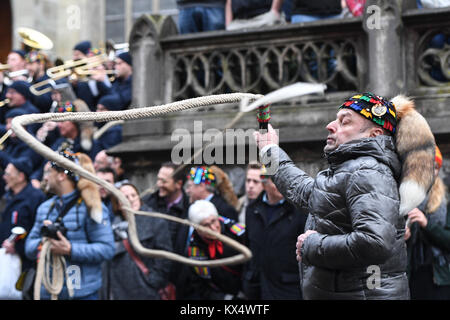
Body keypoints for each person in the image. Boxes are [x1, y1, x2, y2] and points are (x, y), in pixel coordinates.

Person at [253, 92, 409, 299]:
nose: (330, 125)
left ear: (374, 134)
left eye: (345, 122)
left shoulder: (368, 171)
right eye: (336, 119)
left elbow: (375, 242)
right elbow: (303, 191)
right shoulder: (355, 169)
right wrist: (270, 150)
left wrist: (312, 245)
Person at [25, 150, 115, 300]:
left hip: (82, 293)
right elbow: (29, 248)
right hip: (49, 291)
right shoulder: (44, 208)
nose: (45, 177)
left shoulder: (91, 207)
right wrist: (44, 242)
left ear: (61, 175)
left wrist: (70, 249)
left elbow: (107, 249)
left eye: (49, 172)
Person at [101, 182, 172, 300]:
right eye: (126, 197)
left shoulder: (156, 221)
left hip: (145, 290)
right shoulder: (113, 226)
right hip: (118, 290)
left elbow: (164, 257)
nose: (131, 200)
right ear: (118, 204)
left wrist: (152, 282)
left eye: (134, 195)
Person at [243, 169, 307, 299]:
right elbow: (248, 245)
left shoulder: (298, 211)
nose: (283, 186)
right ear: (265, 184)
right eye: (277, 182)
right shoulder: (252, 210)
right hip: (257, 286)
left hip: (287, 287)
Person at [405, 146, 450, 300]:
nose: (431, 170)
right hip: (413, 273)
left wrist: (426, 224)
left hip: (439, 276)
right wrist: (405, 235)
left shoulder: (446, 202)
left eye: (435, 166)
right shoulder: (406, 197)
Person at [177, 199, 245, 299]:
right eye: (206, 225)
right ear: (197, 228)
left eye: (214, 221)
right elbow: (200, 286)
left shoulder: (239, 233)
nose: (213, 228)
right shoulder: (194, 252)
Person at [0, 158, 46, 273]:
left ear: (21, 177)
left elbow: (39, 231)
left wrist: (18, 247)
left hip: (26, 264)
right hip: (6, 258)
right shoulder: (8, 196)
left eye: (8, 174)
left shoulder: (36, 198)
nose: (4, 177)